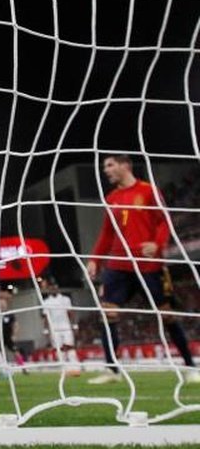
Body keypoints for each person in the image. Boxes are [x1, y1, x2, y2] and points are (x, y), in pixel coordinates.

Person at [87, 154, 198, 384]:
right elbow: (107, 233)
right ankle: (112, 370)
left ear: (125, 165)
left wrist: (157, 244)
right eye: (104, 167)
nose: (105, 170)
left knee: (166, 315)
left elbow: (164, 220)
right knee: (108, 313)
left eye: (110, 165)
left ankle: (190, 367)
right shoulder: (112, 198)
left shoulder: (148, 191)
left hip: (148, 265)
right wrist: (94, 260)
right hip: (118, 265)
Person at [41, 278, 81, 377]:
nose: (53, 289)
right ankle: (64, 369)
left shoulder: (65, 299)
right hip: (54, 328)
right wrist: (46, 330)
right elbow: (46, 317)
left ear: (57, 288)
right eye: (51, 287)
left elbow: (70, 313)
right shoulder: (46, 302)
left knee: (70, 346)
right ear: (49, 289)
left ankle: (75, 368)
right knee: (59, 349)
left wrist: (74, 325)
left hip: (66, 326)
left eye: (55, 287)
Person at [0, 287, 28, 373]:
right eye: (0, 304)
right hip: (0, 337)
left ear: (6, 305)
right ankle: (3, 369)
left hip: (9, 337)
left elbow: (16, 324)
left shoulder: (10, 314)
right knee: (0, 354)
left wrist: (14, 334)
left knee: (16, 352)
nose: (2, 305)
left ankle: (23, 368)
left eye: (3, 304)